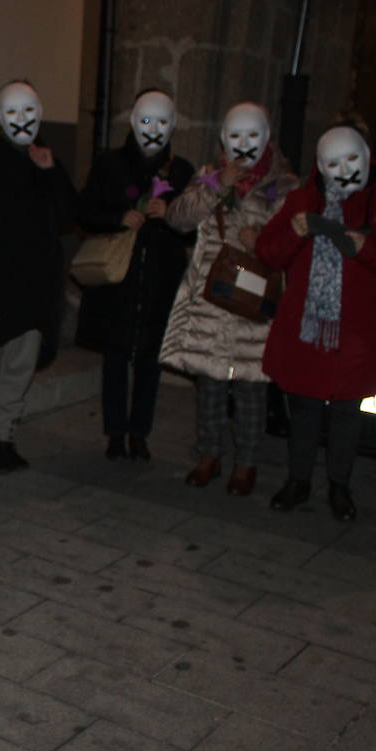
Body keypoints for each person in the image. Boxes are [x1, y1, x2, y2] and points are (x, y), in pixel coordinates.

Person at [257, 124, 376, 521]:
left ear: (368, 157)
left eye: (352, 159)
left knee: (348, 412)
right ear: (320, 167)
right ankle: (298, 482)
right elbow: (269, 253)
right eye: (334, 163)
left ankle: (339, 486)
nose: (345, 169)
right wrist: (296, 233)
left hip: (357, 334)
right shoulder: (302, 200)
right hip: (308, 330)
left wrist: (367, 247)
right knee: (305, 408)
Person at [161, 102, 297, 496]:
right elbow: (177, 218)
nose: (243, 145)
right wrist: (218, 184)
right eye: (234, 136)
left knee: (253, 389)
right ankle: (209, 455)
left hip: (256, 302)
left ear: (267, 138)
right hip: (212, 299)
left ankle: (246, 464)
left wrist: (262, 243)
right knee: (211, 386)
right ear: (222, 140)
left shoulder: (284, 186)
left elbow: (293, 242)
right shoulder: (208, 178)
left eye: (252, 136)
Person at [0, 80, 75, 473]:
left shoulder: (46, 158)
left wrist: (51, 172)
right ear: (0, 116)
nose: (22, 120)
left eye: (29, 111)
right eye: (13, 112)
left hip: (34, 287)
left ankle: (4, 435)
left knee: (19, 366)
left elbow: (72, 215)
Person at [78, 89, 193, 461]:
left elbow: (194, 229)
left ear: (173, 125)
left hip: (160, 279)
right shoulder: (110, 164)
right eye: (146, 121)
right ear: (132, 123)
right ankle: (115, 432)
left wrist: (171, 213)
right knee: (115, 357)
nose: (153, 130)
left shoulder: (181, 171)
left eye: (162, 122)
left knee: (149, 360)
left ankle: (140, 433)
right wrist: (119, 217)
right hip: (119, 280)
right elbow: (85, 212)